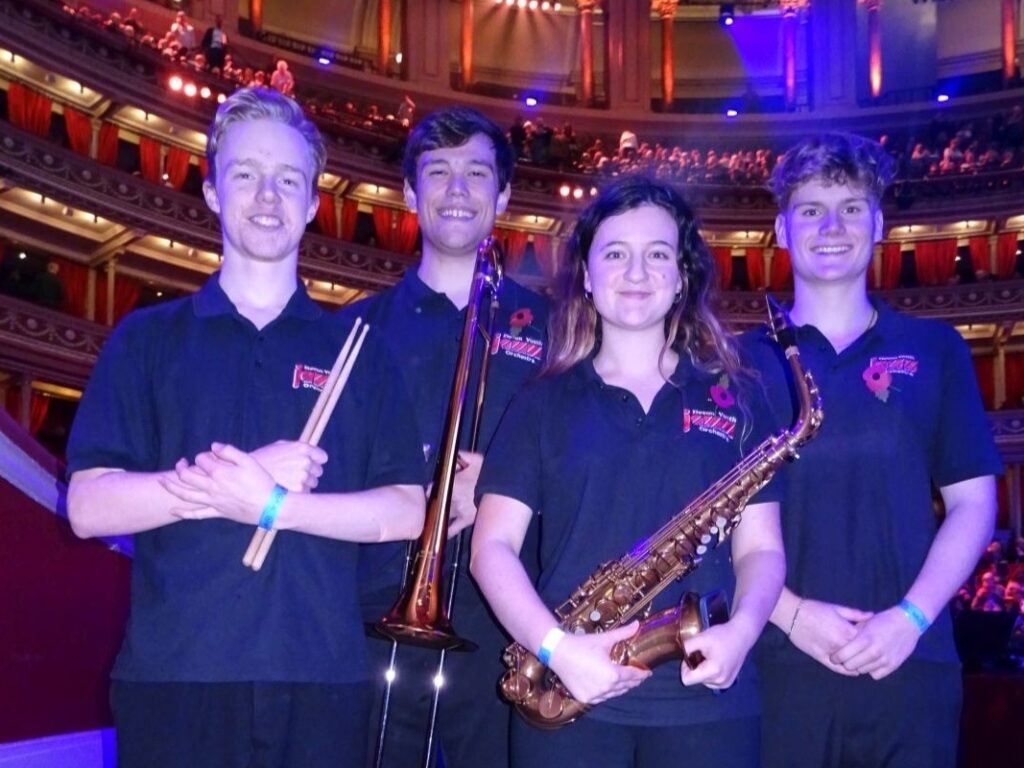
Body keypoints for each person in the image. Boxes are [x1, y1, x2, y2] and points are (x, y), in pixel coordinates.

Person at [65, 87, 427, 768]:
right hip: (174, 677)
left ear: (313, 203)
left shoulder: (359, 350)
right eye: (246, 174)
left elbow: (407, 511)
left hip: (322, 677)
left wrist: (273, 506)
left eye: (288, 179)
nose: (267, 196)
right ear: (212, 192)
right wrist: (229, 483)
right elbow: (88, 506)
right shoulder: (147, 339)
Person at [471, 176, 785, 768]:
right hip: (569, 695)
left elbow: (762, 549)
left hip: (708, 705)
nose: (637, 272)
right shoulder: (540, 401)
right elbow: (491, 549)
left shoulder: (738, 395)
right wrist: (558, 649)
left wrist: (743, 632)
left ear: (682, 277)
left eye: (657, 254)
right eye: (615, 254)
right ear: (587, 276)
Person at [747, 133, 1002, 768]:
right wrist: (791, 616)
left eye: (851, 208)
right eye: (811, 210)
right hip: (776, 668)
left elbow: (973, 505)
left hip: (911, 664)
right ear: (782, 230)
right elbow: (713, 525)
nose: (831, 227)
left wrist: (910, 619)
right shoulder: (737, 364)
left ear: (879, 224)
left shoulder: (937, 349)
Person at [343, 106, 547, 768]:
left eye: (477, 173)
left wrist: (504, 482)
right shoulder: (354, 331)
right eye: (438, 172)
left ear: (504, 195)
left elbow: (590, 468)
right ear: (409, 193)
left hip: (508, 624)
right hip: (372, 616)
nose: (457, 190)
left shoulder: (560, 332)